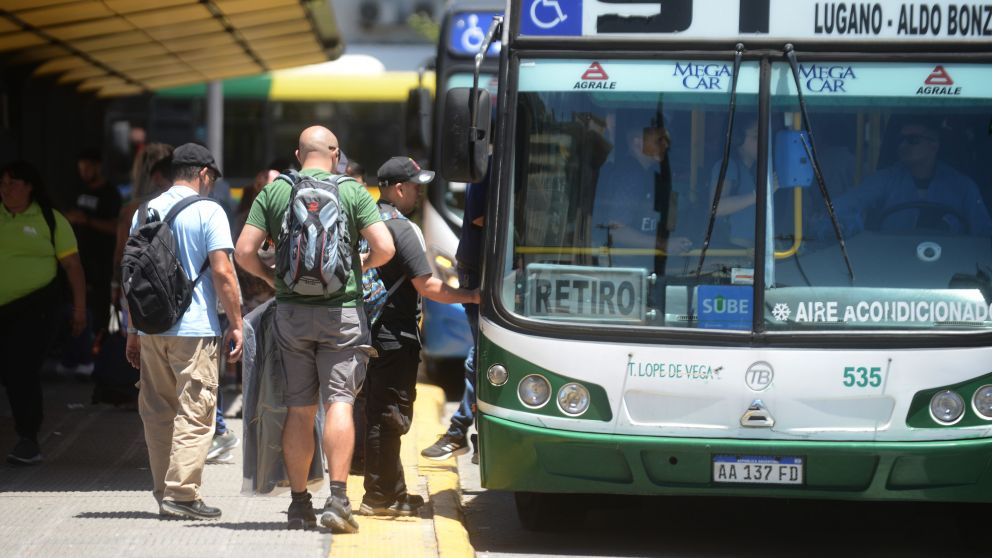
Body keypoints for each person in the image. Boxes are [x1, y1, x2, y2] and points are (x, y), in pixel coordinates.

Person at [235, 126, 394, 532]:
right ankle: (338, 501)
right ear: (336, 154)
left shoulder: (276, 191)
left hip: (291, 314)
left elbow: (244, 251)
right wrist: (359, 265)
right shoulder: (352, 191)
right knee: (339, 401)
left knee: (300, 408)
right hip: (342, 313)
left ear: (298, 154)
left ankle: (299, 504)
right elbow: (385, 248)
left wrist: (272, 280)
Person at [124, 143, 242, 520]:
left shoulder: (145, 210)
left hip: (151, 327)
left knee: (158, 412)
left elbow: (132, 274)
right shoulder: (210, 210)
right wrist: (237, 323)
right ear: (204, 174)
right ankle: (182, 494)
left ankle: (165, 493)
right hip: (194, 329)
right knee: (196, 410)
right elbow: (223, 271)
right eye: (213, 178)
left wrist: (132, 330)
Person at [361, 157, 480, 515]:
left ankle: (392, 491)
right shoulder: (402, 228)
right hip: (395, 335)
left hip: (369, 330)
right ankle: (379, 497)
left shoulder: (368, 220)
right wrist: (471, 296)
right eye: (415, 186)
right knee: (389, 415)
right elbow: (427, 286)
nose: (419, 193)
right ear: (399, 189)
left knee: (379, 412)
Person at [1, 161, 87, 465]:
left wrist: (79, 308)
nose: (6, 189)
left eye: (13, 183)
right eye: (3, 183)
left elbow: (73, 267)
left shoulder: (50, 220)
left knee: (21, 370)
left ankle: (28, 439)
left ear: (29, 187)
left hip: (37, 308)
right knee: (10, 371)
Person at [421, 163, 490, 463]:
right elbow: (480, 218)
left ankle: (462, 431)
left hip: (481, 267)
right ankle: (462, 431)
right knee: (481, 355)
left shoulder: (492, 163)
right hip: (481, 270)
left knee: (480, 355)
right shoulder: (490, 167)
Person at [829, 117, 992, 236]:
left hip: (954, 268)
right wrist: (843, 225)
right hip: (890, 263)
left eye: (912, 140)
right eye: (900, 140)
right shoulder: (884, 179)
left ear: (934, 145)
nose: (903, 145)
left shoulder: (963, 186)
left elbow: (983, 235)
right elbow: (839, 209)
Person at [60, 148, 122, 378]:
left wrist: (87, 220)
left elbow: (116, 226)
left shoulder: (110, 193)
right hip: (76, 258)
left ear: (98, 167)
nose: (84, 171)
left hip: (101, 262)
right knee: (73, 307)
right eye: (81, 167)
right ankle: (73, 357)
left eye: (88, 166)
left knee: (98, 311)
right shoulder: (75, 189)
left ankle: (95, 359)